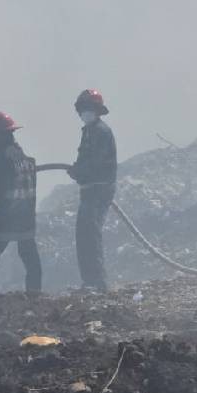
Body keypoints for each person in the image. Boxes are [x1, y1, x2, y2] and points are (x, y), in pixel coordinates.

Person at [0, 111, 42, 297]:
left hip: (6, 217)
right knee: (29, 255)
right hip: (26, 217)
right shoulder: (24, 158)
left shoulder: (3, 160)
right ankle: (34, 293)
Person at [67, 89, 117, 291]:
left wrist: (79, 171)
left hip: (99, 189)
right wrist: (78, 170)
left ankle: (97, 283)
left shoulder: (100, 132)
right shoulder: (89, 131)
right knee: (84, 234)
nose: (85, 113)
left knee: (90, 234)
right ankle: (90, 281)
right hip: (90, 190)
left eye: (88, 109)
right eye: (83, 109)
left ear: (97, 110)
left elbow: (95, 162)